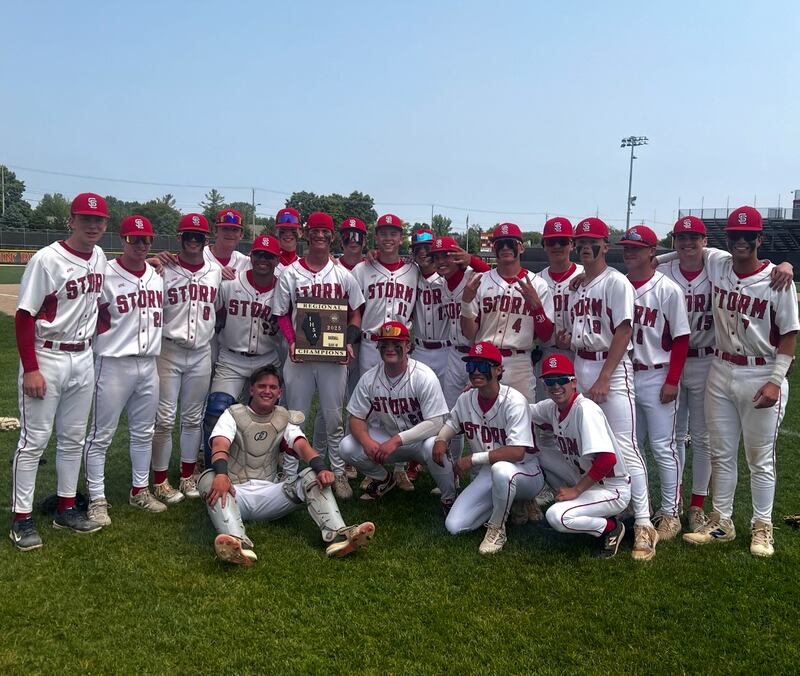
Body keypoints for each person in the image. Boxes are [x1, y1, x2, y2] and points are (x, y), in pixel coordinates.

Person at [683, 206, 798, 557]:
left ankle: (762, 527)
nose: (741, 241)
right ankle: (722, 522)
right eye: (735, 235)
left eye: (748, 236)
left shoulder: (778, 281)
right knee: (721, 453)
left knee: (760, 458)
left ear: (760, 239)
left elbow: (790, 335)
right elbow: (687, 249)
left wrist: (776, 381)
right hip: (721, 368)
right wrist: (657, 260)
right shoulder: (718, 262)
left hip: (761, 371)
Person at [10, 192, 109, 550]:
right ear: (71, 221)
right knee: (34, 440)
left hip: (82, 357)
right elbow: (24, 317)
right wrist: (31, 369)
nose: (93, 225)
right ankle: (21, 518)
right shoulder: (46, 259)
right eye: (86, 218)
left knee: (72, 438)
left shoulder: (98, 256)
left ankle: (66, 506)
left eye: (99, 220)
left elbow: (99, 303)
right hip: (46, 355)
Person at [198, 365, 375, 564]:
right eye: (262, 386)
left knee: (311, 475)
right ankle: (237, 542)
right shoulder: (233, 415)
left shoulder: (283, 418)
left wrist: (322, 469)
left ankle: (338, 536)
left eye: (273, 387)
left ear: (279, 392)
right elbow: (220, 445)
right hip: (235, 495)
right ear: (252, 389)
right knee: (209, 478)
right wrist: (222, 475)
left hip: (270, 493)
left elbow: (302, 446)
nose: (267, 391)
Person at [557, 217, 657, 561]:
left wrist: (604, 376)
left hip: (609, 368)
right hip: (582, 362)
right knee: (590, 442)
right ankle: (610, 507)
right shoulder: (580, 284)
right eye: (580, 241)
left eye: (592, 241)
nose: (586, 246)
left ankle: (644, 522)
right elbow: (582, 328)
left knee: (625, 445)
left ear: (605, 245)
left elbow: (624, 331)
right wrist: (570, 339)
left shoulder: (616, 282)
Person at [272, 211, 365, 498]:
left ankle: (337, 472)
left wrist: (348, 342)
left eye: (325, 232)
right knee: (294, 417)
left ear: (333, 236)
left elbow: (356, 313)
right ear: (306, 235)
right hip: (300, 357)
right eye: (315, 232)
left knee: (333, 418)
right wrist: (290, 341)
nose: (320, 237)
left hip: (332, 359)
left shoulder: (342, 275)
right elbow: (282, 314)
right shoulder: (290, 273)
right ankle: (290, 473)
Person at [82, 215, 166, 526]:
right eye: (134, 239)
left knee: (144, 432)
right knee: (100, 435)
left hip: (148, 364)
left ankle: (139, 490)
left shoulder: (158, 275)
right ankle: (97, 498)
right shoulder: (104, 273)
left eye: (146, 240)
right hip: (113, 362)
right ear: (122, 240)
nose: (141, 245)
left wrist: (157, 262)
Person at [433, 342, 545, 555]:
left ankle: (497, 528)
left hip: (526, 472)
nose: (476, 371)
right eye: (472, 365)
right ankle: (510, 503)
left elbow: (516, 452)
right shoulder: (466, 399)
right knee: (455, 526)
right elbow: (452, 423)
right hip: (489, 472)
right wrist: (441, 439)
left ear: (499, 370)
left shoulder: (514, 401)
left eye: (484, 366)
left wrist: (472, 459)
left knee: (501, 470)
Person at [620, 225, 690, 541]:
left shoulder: (668, 288)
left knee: (663, 447)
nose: (629, 252)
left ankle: (671, 513)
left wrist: (673, 379)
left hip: (657, 372)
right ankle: (637, 506)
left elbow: (681, 338)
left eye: (636, 248)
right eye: (626, 247)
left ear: (652, 252)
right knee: (630, 446)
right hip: (626, 373)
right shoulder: (617, 285)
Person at [339, 322, 455, 507]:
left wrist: (395, 441)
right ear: (378, 347)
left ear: (408, 346)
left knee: (434, 444)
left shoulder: (423, 376)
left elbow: (436, 423)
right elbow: (356, 418)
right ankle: (384, 479)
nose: (390, 348)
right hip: (388, 437)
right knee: (347, 446)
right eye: (384, 344)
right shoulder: (370, 378)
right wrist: (367, 441)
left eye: (396, 343)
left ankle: (449, 497)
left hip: (420, 441)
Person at [151, 213, 222, 504]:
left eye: (199, 236)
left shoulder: (215, 271)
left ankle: (188, 475)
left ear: (206, 240)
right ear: (179, 238)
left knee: (193, 418)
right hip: (169, 349)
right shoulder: (163, 268)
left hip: (201, 351)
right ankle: (159, 480)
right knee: (165, 419)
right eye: (188, 235)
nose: (193, 241)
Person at [530, 354, 631, 558]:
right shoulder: (552, 407)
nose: (556, 386)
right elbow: (519, 409)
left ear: (573, 382)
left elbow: (607, 460)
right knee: (537, 455)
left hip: (611, 488)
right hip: (587, 478)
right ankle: (584, 509)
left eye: (562, 380)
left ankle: (612, 527)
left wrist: (576, 490)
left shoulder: (585, 410)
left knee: (556, 516)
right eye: (550, 381)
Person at [202, 235, 284, 463]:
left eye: (269, 256)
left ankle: (263, 466)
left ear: (277, 260)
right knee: (216, 411)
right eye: (258, 254)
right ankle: (212, 468)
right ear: (251, 257)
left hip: (267, 360)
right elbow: (212, 314)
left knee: (268, 417)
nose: (263, 260)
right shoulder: (230, 283)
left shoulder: (283, 288)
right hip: (232, 358)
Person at [461, 223, 554, 404]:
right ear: (493, 248)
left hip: (520, 362)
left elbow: (546, 336)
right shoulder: (481, 281)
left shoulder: (539, 284)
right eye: (499, 243)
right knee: (483, 421)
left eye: (510, 243)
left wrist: (536, 307)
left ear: (521, 247)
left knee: (524, 419)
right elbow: (469, 334)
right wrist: (465, 302)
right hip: (484, 360)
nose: (505, 248)